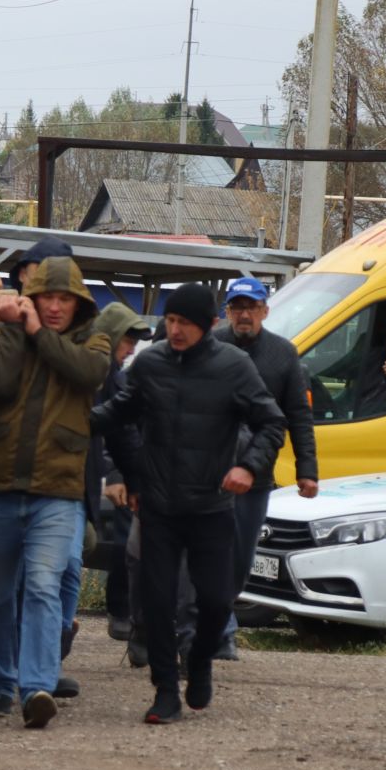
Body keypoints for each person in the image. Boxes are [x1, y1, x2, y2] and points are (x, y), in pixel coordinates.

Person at [92, 283, 286, 725]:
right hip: (159, 505)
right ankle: (164, 691)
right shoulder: (152, 363)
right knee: (158, 601)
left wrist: (249, 468)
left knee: (217, 600)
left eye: (185, 324)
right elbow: (120, 414)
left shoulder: (233, 366)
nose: (175, 330)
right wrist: (74, 422)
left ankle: (199, 662)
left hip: (212, 506)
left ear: (208, 326)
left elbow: (271, 422)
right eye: (172, 321)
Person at [0, 257, 112, 729]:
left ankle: (36, 688)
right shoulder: (0, 333)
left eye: (64, 299)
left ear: (79, 304)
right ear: (31, 299)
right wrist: (13, 329)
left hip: (58, 491)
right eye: (46, 298)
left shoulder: (95, 340)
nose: (54, 307)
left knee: (43, 587)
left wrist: (37, 334)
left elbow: (87, 374)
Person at [212, 277, 320, 658]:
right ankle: (218, 629)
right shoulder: (211, 347)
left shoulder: (283, 354)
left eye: (251, 307)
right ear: (227, 312)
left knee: (241, 557)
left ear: (265, 311)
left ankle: (221, 615)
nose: (244, 314)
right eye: (237, 307)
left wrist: (307, 468)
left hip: (257, 474)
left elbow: (299, 416)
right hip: (210, 471)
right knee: (211, 551)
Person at [88, 304, 153, 644]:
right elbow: (117, 429)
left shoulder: (118, 377)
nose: (131, 350)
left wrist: (128, 477)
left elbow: (124, 430)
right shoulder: (90, 372)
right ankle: (121, 611)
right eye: (127, 342)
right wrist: (117, 474)